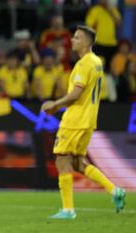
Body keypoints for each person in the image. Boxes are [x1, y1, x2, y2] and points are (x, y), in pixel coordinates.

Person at [41, 25, 126, 219]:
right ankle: (114, 191)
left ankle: (68, 210)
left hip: (75, 120)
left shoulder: (83, 64)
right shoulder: (97, 62)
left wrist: (55, 104)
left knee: (62, 160)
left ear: (87, 42)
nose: (72, 40)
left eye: (77, 38)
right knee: (79, 163)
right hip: (89, 120)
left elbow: (75, 95)